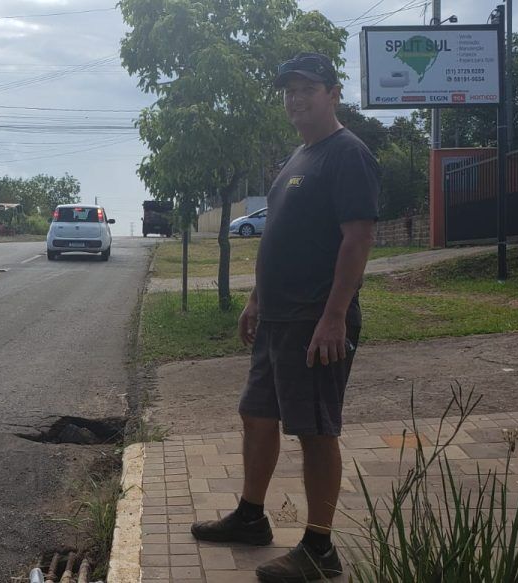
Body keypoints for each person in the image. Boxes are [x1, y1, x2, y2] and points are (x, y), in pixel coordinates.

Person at [189, 52, 380, 582]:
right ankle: (252, 517)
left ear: (333, 93)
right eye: (289, 91)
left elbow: (358, 238)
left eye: (307, 89)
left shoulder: (348, 154)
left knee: (315, 431)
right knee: (257, 414)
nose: (296, 99)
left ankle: (320, 548)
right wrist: (254, 300)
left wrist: (335, 315)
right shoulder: (298, 158)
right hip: (276, 318)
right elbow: (280, 239)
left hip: (315, 321)